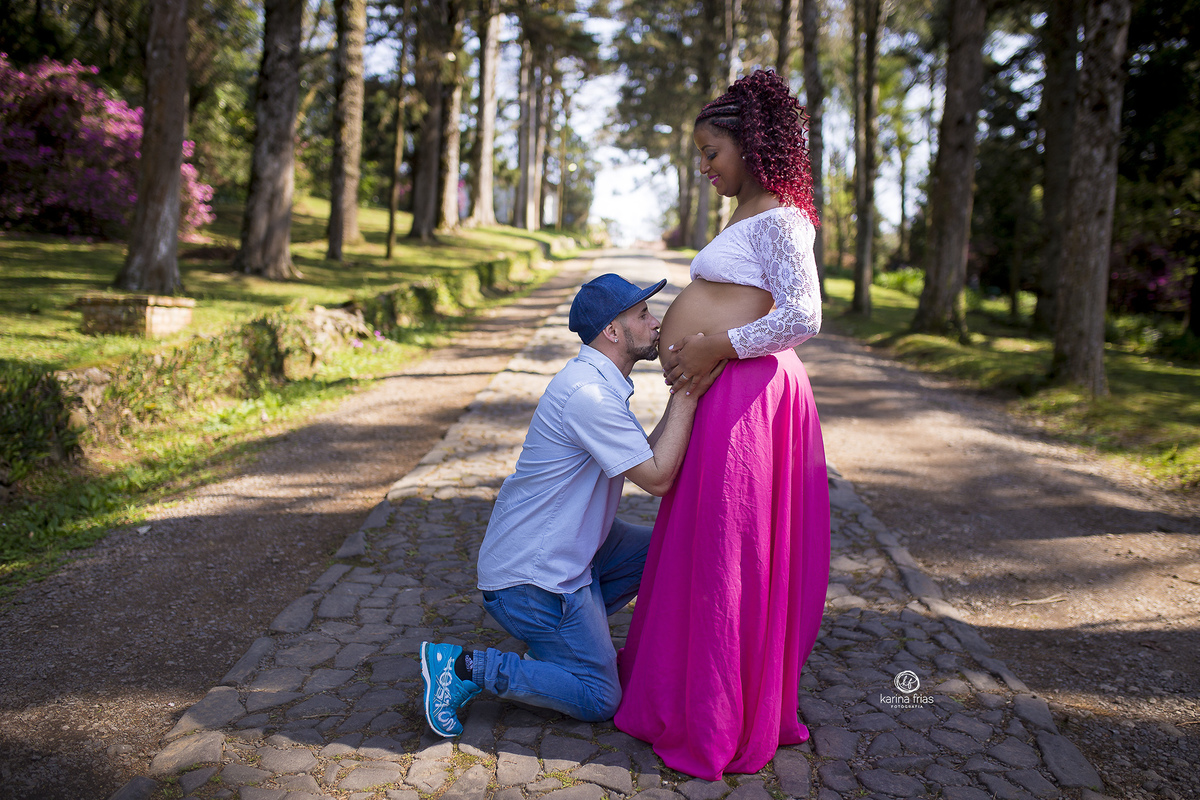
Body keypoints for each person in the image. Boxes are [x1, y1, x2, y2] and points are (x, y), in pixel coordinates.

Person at [613, 69, 831, 780]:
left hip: (752, 397)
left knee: (728, 550)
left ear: (749, 144)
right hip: (725, 394)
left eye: (712, 153)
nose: (705, 169)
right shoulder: (749, 215)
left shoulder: (785, 219)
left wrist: (713, 345)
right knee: (706, 543)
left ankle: (717, 712)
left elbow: (804, 316)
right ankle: (686, 691)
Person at [420, 273, 706, 738]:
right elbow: (657, 478)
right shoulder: (588, 395)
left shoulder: (600, 383)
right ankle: (464, 665)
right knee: (600, 697)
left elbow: (643, 457)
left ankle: (557, 651)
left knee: (661, 551)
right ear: (612, 332)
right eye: (642, 315)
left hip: (568, 552)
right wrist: (689, 393)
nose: (656, 324)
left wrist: (681, 394)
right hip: (531, 579)